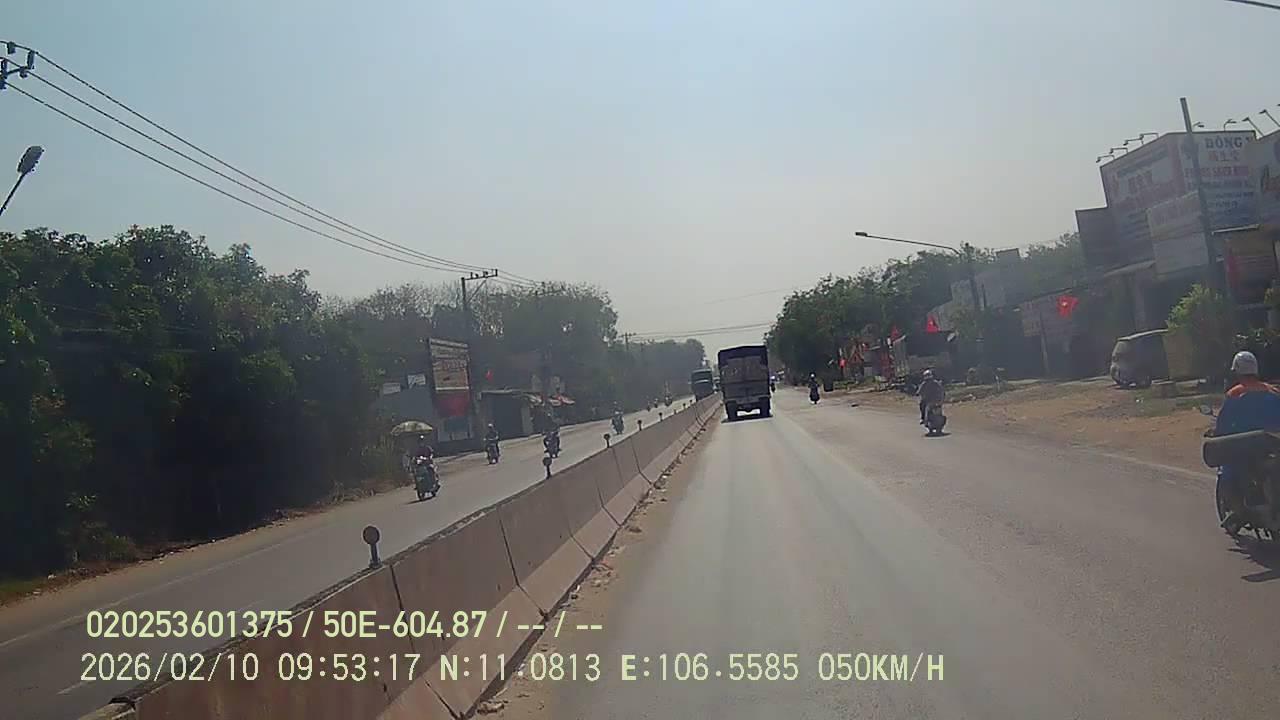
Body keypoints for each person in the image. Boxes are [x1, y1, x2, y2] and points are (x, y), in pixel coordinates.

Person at [1214, 350, 1280, 531]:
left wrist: (1217, 434)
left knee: (1226, 474)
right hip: (1272, 447)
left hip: (1245, 448)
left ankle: (1240, 511)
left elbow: (1223, 423)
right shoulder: (1273, 391)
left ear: (1236, 371)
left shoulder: (1235, 394)